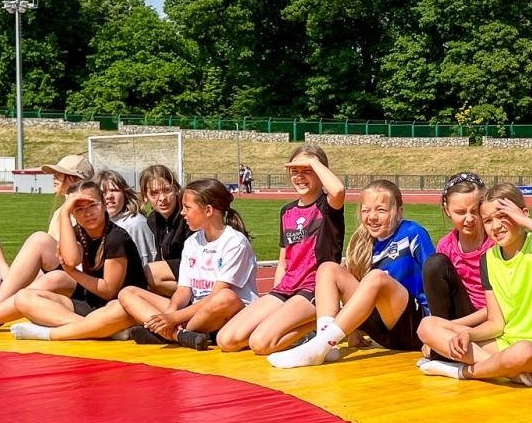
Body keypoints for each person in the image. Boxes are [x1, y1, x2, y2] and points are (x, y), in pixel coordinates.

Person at [38, 178, 256, 350]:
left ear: (208, 210)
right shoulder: (193, 242)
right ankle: (178, 335)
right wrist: (169, 312)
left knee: (224, 298)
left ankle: (171, 332)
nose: (182, 213)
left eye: (187, 208)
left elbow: (216, 297)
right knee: (128, 293)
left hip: (223, 312)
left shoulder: (234, 242)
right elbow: (183, 290)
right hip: (193, 312)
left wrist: (172, 318)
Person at [0, 179, 148, 336]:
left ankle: (97, 328)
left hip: (116, 307)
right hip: (92, 304)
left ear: (103, 205)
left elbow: (108, 290)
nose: (88, 213)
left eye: (92, 205)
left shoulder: (116, 238)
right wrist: (65, 213)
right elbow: (71, 259)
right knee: (24, 297)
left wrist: (72, 272)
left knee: (52, 284)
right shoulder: (81, 231)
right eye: (79, 209)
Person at [417, 184, 532, 386]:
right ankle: (508, 372)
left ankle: (463, 371)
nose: (496, 226)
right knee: (427, 326)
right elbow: (496, 323)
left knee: (522, 351)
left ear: (522, 214)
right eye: (488, 220)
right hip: (505, 343)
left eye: (503, 216)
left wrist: (524, 220)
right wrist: (467, 333)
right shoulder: (489, 259)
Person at [269, 180, 435, 367]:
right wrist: (354, 331)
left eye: (381, 210)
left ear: (399, 211)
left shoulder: (412, 232)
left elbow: (436, 282)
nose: (372, 217)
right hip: (383, 330)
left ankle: (318, 346)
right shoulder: (362, 242)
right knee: (328, 268)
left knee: (377, 278)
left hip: (415, 329)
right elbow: (357, 294)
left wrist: (436, 334)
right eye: (366, 210)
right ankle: (328, 345)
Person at [217, 144, 346, 355]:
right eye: (294, 171)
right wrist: (276, 297)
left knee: (260, 343)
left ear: (320, 171)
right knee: (226, 340)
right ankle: (298, 326)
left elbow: (338, 190)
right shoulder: (287, 211)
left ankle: (318, 324)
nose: (300, 176)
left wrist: (313, 161)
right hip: (286, 288)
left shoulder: (328, 205)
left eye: (307, 170)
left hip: (314, 289)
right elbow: (284, 261)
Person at [0, 153, 94, 305]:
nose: (54, 177)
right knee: (32, 270)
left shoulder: (91, 213)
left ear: (75, 179)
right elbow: (50, 255)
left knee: (39, 241)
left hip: (86, 281)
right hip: (68, 273)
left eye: (59, 174)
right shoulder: (59, 214)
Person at [421, 172, 492, 325]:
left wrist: (451, 326)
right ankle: (441, 331)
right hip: (462, 313)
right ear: (447, 210)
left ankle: (442, 330)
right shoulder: (445, 245)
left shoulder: (495, 243)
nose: (469, 219)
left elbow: (505, 301)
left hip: (494, 315)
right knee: (434, 263)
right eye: (460, 212)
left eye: (475, 211)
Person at [139, 164, 190, 295]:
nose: (162, 199)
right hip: (174, 276)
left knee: (151, 273)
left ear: (176, 190)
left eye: (167, 190)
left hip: (196, 268)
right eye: (154, 193)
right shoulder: (152, 220)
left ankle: (198, 296)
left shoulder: (187, 216)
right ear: (145, 197)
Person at [98, 169, 157, 268]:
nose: (109, 196)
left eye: (114, 190)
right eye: (103, 192)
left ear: (124, 193)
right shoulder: (99, 224)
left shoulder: (134, 223)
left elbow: (145, 263)